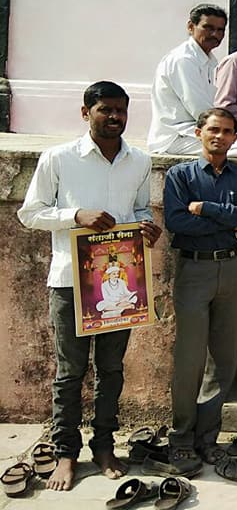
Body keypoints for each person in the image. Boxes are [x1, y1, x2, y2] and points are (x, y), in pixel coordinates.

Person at [17, 81, 161, 491]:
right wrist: (76, 215)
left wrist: (145, 227)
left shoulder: (139, 160)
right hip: (69, 282)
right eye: (105, 110)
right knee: (69, 373)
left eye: (121, 110)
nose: (114, 117)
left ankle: (103, 446)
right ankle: (66, 452)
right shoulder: (59, 158)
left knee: (111, 370)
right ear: (86, 113)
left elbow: (135, 210)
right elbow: (31, 214)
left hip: (121, 285)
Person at [162, 108, 237, 476]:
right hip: (195, 268)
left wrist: (208, 209)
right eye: (213, 130)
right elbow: (176, 221)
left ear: (236, 137)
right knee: (189, 358)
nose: (219, 137)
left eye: (227, 131)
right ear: (198, 132)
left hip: (233, 269)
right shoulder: (180, 175)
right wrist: (229, 220)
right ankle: (181, 438)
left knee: (224, 358)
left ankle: (208, 437)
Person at [147, 3, 237, 271]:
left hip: (202, 132)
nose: (215, 34)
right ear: (191, 27)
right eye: (208, 27)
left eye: (220, 30)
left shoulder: (208, 59)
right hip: (178, 135)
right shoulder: (183, 59)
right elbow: (202, 112)